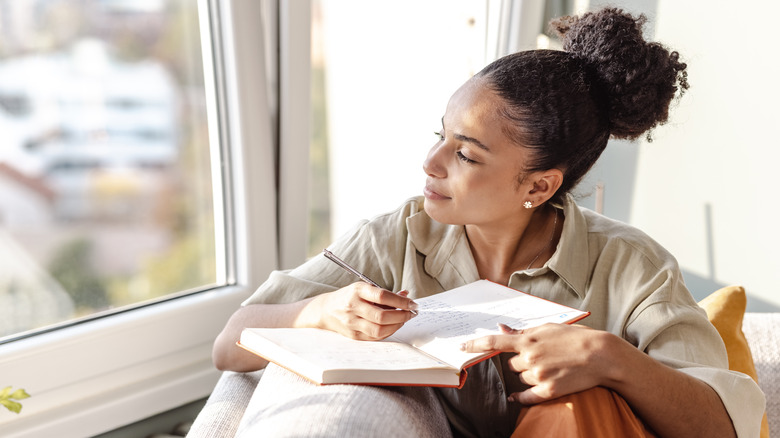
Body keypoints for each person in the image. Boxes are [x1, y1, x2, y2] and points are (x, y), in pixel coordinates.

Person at [212, 8, 765, 438]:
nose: (431, 163)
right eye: (441, 135)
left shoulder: (631, 265)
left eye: (466, 154)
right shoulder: (395, 237)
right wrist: (319, 311)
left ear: (538, 187)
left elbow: (721, 425)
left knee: (582, 403)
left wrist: (610, 360)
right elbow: (230, 343)